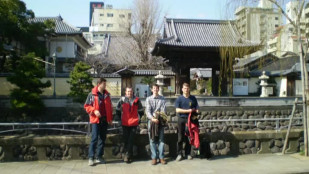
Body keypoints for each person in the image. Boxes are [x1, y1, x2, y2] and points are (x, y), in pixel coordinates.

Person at [84, 78, 113, 166]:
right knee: (94, 138)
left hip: (104, 119)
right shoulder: (92, 94)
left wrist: (110, 119)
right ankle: (91, 157)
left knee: (102, 138)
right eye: (104, 84)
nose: (105, 85)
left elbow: (110, 108)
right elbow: (86, 106)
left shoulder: (107, 95)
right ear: (99, 84)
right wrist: (94, 110)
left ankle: (99, 156)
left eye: (105, 84)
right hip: (95, 120)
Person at [116, 86, 144, 163]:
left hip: (134, 123)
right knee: (125, 140)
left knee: (131, 140)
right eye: (128, 91)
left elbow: (141, 111)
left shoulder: (137, 100)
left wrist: (139, 119)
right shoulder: (122, 100)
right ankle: (128, 155)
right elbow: (117, 111)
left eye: (130, 91)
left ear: (132, 92)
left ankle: (127, 155)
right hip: (124, 122)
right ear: (125, 92)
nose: (129, 93)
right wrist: (119, 120)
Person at [175, 83, 199, 161]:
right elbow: (177, 110)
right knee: (180, 137)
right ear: (182, 89)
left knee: (189, 137)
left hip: (190, 120)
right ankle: (179, 154)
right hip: (181, 119)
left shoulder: (193, 98)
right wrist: (187, 111)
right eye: (185, 88)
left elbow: (197, 108)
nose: (186, 90)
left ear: (189, 89)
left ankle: (188, 153)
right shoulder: (179, 99)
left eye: (187, 88)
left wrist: (196, 113)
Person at [145, 84, 167, 165]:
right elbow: (147, 111)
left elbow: (163, 110)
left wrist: (159, 117)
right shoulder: (148, 99)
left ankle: (161, 157)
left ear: (158, 89)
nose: (155, 90)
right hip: (151, 121)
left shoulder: (162, 99)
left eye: (157, 88)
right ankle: (154, 157)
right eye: (154, 88)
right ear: (152, 89)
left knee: (161, 139)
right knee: (152, 139)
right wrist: (153, 118)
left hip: (160, 121)